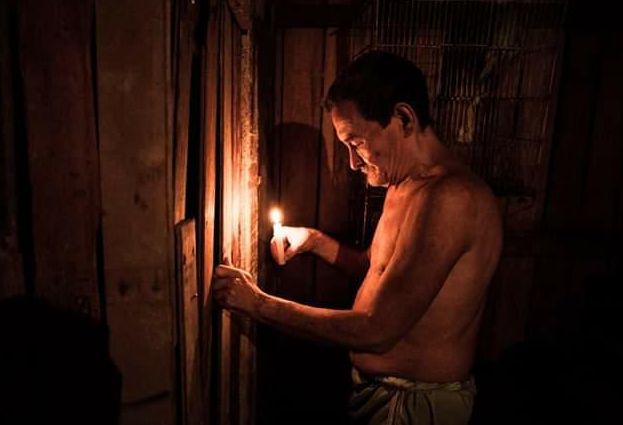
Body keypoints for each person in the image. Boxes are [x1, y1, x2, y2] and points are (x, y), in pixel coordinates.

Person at [213, 51, 503, 425]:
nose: (352, 162)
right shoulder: (404, 186)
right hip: (379, 394)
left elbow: (377, 329)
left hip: (414, 406)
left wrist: (258, 304)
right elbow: (378, 271)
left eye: (357, 142)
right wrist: (315, 241)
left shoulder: (452, 199)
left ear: (403, 119)